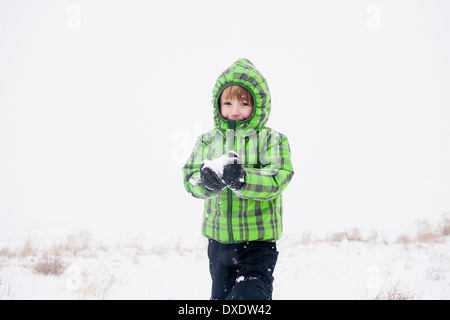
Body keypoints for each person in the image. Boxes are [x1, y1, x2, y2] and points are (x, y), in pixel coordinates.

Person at [182, 58, 294, 300]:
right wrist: (205, 182)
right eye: (228, 102)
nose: (235, 110)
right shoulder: (207, 141)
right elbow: (189, 178)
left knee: (249, 295)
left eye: (244, 103)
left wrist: (243, 179)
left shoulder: (272, 140)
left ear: (258, 105)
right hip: (219, 244)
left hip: (258, 242)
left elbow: (278, 177)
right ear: (218, 104)